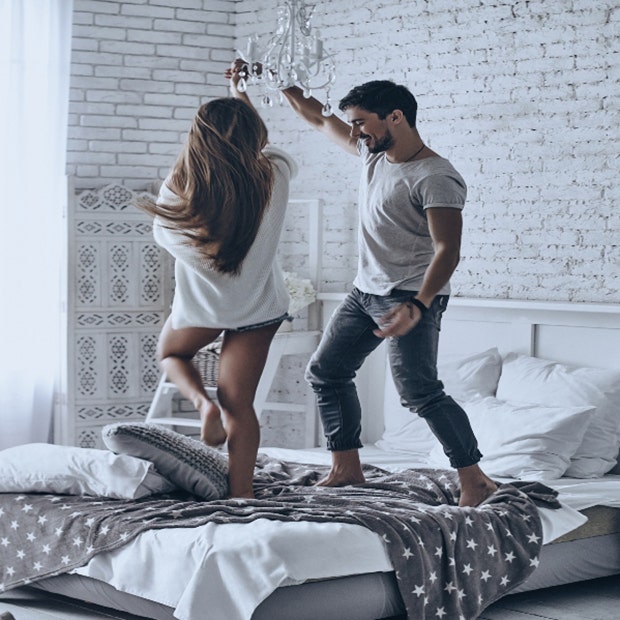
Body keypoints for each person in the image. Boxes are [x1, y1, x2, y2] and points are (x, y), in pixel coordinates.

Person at [281, 80, 497, 507]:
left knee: (419, 391)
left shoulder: (436, 176)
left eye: (361, 123)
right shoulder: (371, 153)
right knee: (326, 371)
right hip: (364, 292)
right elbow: (317, 117)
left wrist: (419, 304)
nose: (355, 132)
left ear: (395, 116)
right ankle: (346, 468)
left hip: (410, 296)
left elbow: (448, 251)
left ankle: (476, 479)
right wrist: (281, 81)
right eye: (353, 124)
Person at [139, 62, 297, 498]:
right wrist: (239, 93)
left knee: (171, 351)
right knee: (240, 405)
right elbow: (262, 142)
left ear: (198, 139)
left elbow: (166, 226)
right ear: (254, 137)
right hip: (260, 307)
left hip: (203, 309)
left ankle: (201, 404)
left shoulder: (182, 188)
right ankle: (241, 495)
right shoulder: (277, 172)